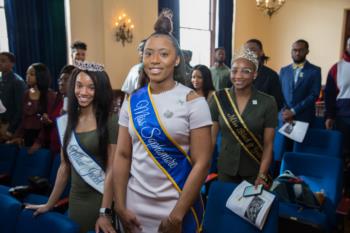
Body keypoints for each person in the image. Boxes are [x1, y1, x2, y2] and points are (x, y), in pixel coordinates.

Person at [113, 10, 212, 233]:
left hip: (176, 208)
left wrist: (177, 216)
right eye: (148, 54)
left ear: (177, 59)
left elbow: (202, 163)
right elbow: (122, 155)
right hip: (134, 207)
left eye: (163, 54)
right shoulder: (132, 100)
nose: (154, 60)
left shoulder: (194, 102)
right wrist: (119, 205)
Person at [25, 60, 118, 233]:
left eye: (91, 87)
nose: (83, 92)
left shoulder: (110, 120)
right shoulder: (67, 121)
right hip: (75, 199)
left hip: (100, 199)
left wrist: (105, 212)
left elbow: (113, 168)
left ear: (100, 90)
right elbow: (64, 167)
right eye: (79, 85)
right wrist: (49, 204)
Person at [209, 48, 277, 186]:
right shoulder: (219, 98)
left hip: (254, 171)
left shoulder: (268, 102)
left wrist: (262, 174)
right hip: (225, 169)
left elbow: (268, 144)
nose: (238, 76)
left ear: (255, 74)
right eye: (234, 71)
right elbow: (211, 138)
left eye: (246, 71)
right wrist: (203, 166)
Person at [7, 63, 56, 153]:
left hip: (43, 138)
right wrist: (17, 136)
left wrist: (38, 142)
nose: (28, 76)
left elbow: (48, 123)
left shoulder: (50, 95)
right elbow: (24, 119)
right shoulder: (26, 94)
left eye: (32, 74)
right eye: (27, 74)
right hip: (27, 136)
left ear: (40, 76)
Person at [325, 37, 350, 192]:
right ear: (347, 46)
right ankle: (341, 189)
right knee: (343, 154)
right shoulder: (337, 68)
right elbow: (329, 95)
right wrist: (329, 116)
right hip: (343, 118)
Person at [279, 39, 321, 126]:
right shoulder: (284, 70)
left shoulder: (315, 71)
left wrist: (293, 111)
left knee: (300, 140)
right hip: (284, 117)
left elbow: (314, 95)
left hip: (304, 117)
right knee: (281, 140)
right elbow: (279, 93)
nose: (297, 53)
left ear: (307, 51)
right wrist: (285, 111)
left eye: (301, 50)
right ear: (291, 51)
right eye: (295, 50)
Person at [245, 39, 284, 111]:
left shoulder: (272, 75)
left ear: (261, 52)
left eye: (253, 50)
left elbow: (278, 103)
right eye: (246, 51)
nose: (249, 53)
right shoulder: (238, 74)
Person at [45, 65, 75, 155]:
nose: (61, 83)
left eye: (66, 80)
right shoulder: (56, 99)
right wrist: (48, 121)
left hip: (68, 150)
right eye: (60, 80)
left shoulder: (77, 103)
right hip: (54, 147)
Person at [0, 52, 26, 142]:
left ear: (12, 64)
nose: (0, 63)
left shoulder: (17, 81)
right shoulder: (1, 80)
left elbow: (20, 109)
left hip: (10, 126)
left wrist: (10, 130)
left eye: (3, 60)